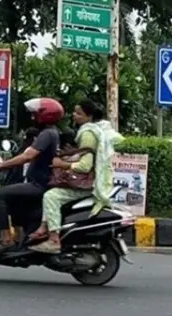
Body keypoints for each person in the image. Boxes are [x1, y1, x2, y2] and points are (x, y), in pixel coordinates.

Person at [30, 100, 121, 254]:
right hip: (93, 181)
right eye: (74, 112)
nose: (74, 115)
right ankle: (44, 227)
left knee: (51, 196)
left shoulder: (87, 134)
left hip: (87, 185)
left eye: (79, 113)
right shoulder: (90, 131)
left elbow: (85, 166)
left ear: (89, 116)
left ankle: (53, 240)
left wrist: (62, 164)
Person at [0, 97, 64, 247]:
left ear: (45, 115)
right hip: (38, 182)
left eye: (36, 114)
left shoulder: (47, 134)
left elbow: (27, 156)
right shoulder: (51, 133)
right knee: (13, 199)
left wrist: (0, 166)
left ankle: (5, 239)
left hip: (38, 184)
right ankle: (19, 239)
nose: (33, 117)